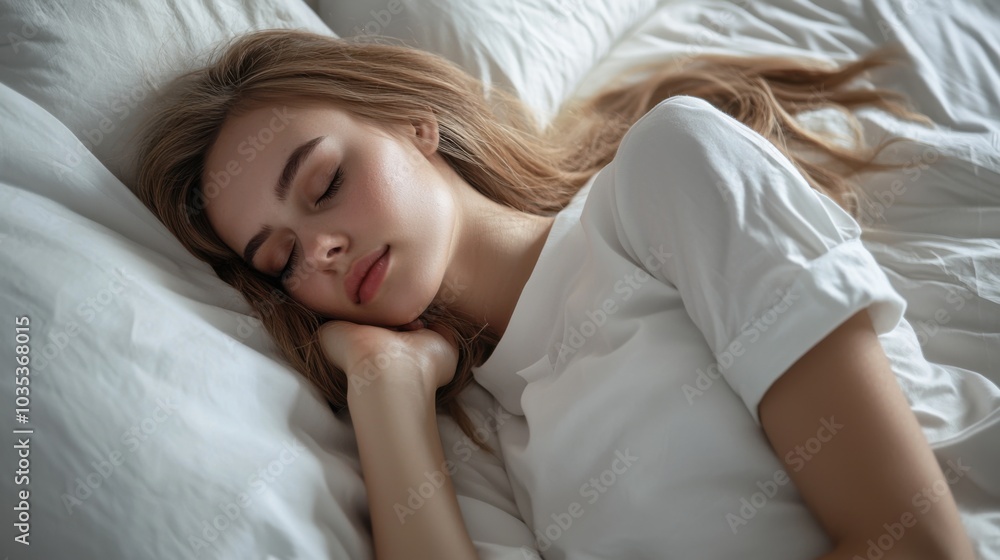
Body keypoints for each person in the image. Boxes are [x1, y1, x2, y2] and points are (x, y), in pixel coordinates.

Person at [132, 29, 977, 559]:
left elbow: (916, 543)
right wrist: (388, 398)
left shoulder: (664, 173)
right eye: (281, 261)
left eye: (322, 184)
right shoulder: (468, 439)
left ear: (412, 122)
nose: (318, 250)